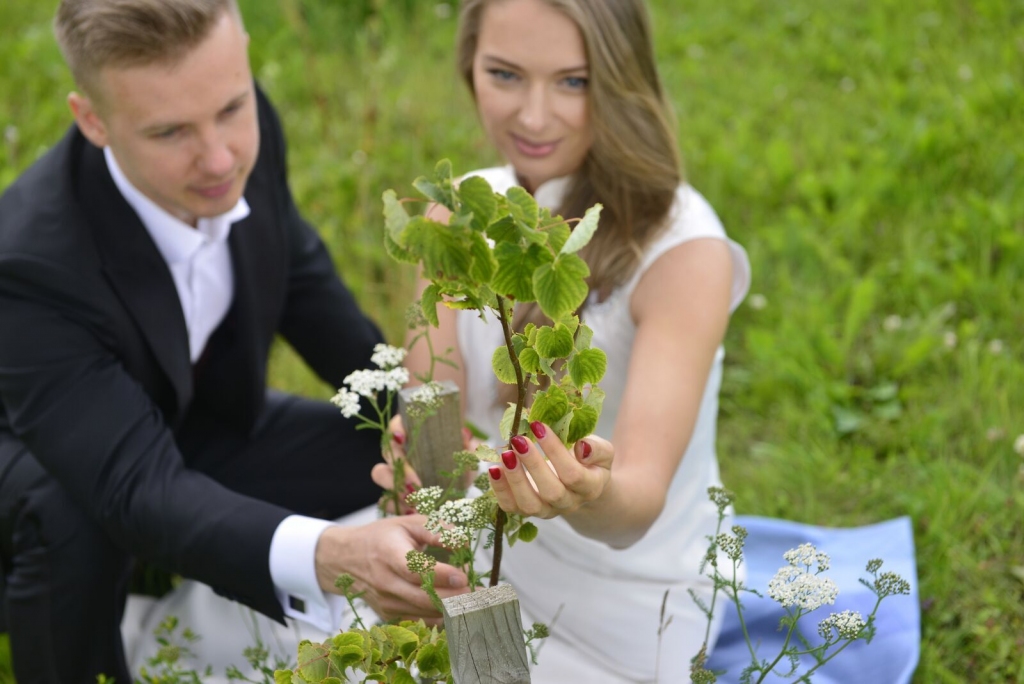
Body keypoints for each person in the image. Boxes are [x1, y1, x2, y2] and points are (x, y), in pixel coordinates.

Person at [0, 1, 467, 681]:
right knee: (66, 515)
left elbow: (301, 280)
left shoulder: (247, 129)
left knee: (370, 442)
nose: (220, 157)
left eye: (231, 108)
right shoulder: (30, 266)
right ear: (91, 119)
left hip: (191, 425)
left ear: (244, 53)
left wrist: (413, 422)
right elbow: (134, 485)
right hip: (48, 464)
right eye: (169, 132)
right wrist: (335, 556)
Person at [388, 0, 752, 681]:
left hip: (627, 593)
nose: (532, 116)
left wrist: (583, 491)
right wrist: (420, 480)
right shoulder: (456, 213)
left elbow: (634, 508)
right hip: (478, 551)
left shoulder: (684, 252)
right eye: (504, 74)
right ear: (470, 67)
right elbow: (432, 410)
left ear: (620, 81)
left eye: (572, 81)